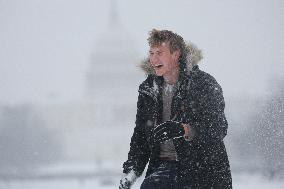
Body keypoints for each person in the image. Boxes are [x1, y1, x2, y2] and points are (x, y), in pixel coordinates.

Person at [119, 29, 232, 189]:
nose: (153, 59)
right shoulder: (148, 89)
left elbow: (219, 128)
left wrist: (184, 130)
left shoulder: (204, 84)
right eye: (151, 53)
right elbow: (141, 137)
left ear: (176, 54)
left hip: (202, 169)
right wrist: (132, 172)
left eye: (159, 53)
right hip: (163, 169)